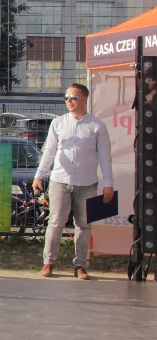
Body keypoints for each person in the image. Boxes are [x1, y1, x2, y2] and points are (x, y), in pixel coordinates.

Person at [33, 83, 114, 279]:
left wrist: (108, 183)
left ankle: (80, 265)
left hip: (87, 182)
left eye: (73, 97)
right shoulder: (58, 123)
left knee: (84, 225)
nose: (69, 101)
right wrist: (39, 174)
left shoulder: (97, 125)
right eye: (66, 98)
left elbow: (104, 155)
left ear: (84, 99)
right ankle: (48, 263)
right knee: (55, 222)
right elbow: (50, 151)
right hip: (59, 180)